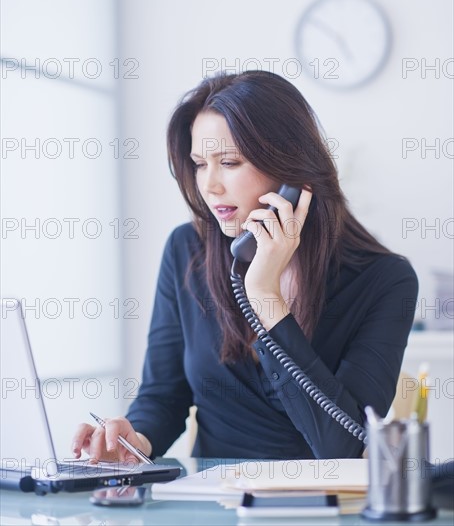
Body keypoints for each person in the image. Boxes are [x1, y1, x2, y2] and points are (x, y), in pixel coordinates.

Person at [72, 70, 418, 461]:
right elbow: (164, 395)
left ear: (290, 167)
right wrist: (135, 443)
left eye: (230, 162)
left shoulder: (385, 280)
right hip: (211, 505)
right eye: (200, 163)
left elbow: (345, 446)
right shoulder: (188, 251)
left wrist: (265, 297)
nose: (210, 185)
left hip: (322, 510)